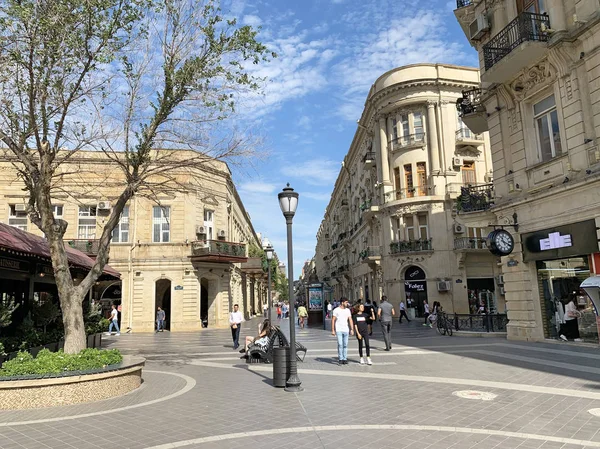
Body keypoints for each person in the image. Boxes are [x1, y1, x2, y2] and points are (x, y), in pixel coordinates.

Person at [331, 297, 354, 365]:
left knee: (345, 345)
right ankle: (340, 358)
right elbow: (333, 320)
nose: (347, 304)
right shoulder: (336, 310)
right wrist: (333, 330)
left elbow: (350, 319)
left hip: (346, 329)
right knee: (340, 344)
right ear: (342, 302)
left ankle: (345, 358)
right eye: (346, 302)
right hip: (339, 329)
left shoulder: (348, 310)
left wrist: (352, 329)